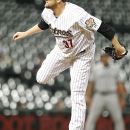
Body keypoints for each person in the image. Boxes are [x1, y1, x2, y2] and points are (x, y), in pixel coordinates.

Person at [13, 0, 126, 129]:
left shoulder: (77, 14)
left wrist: (118, 47)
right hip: (61, 51)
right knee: (41, 77)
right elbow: (44, 24)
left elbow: (104, 28)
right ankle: (68, 66)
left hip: (82, 55)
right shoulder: (47, 12)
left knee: (77, 94)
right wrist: (25, 33)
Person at [85, 53, 126, 130]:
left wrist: (122, 98)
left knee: (118, 119)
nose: (105, 58)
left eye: (106, 56)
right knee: (91, 119)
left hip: (112, 95)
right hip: (99, 95)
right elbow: (91, 84)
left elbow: (120, 84)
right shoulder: (96, 68)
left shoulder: (115, 68)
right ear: (101, 58)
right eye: (103, 56)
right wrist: (89, 97)